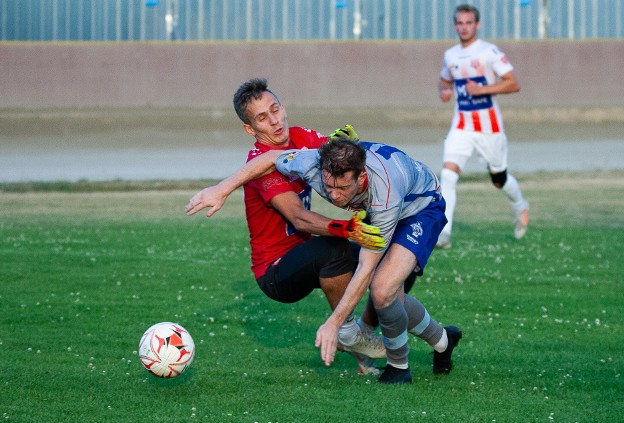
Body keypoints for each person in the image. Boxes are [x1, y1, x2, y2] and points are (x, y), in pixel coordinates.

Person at [187, 135, 463, 384]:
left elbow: (366, 266)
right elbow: (270, 158)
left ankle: (399, 369)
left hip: (420, 208)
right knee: (392, 297)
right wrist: (223, 188)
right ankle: (443, 340)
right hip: (384, 206)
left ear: (361, 177)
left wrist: (335, 323)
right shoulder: (313, 162)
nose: (333, 195)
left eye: (342, 188)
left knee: (382, 289)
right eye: (328, 186)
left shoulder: (384, 192)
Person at [186, 78, 386, 372]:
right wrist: (346, 228)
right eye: (262, 119)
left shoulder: (301, 136)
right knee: (335, 249)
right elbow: (298, 218)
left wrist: (349, 146)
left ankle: (360, 344)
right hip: (276, 272)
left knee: (388, 257)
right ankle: (348, 332)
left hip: (307, 254)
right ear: (250, 130)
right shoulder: (258, 166)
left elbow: (341, 161)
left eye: (275, 110)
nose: (275, 121)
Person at [436, 4, 529, 249]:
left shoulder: (489, 52)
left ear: (477, 25)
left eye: (468, 23)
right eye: (459, 23)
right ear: (455, 25)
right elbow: (444, 80)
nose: (463, 27)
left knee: (498, 178)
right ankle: (444, 233)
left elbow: (513, 84)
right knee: (447, 174)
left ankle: (520, 206)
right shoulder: (451, 55)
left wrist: (483, 89)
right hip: (461, 125)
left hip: (489, 127)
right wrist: (444, 91)